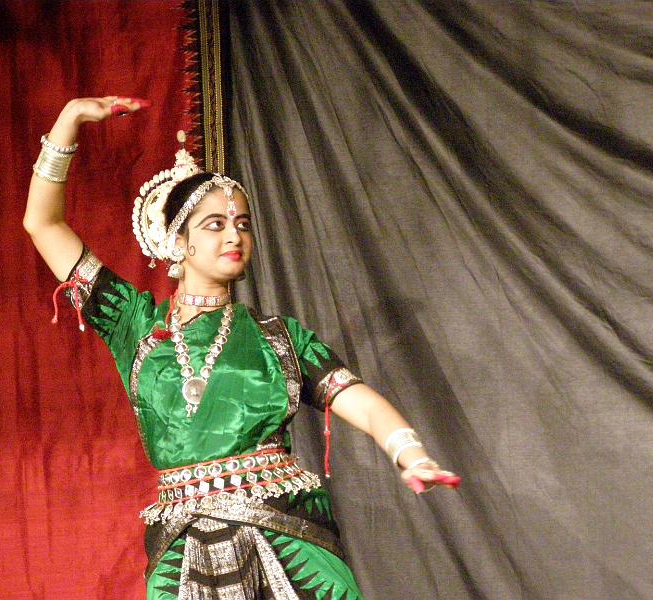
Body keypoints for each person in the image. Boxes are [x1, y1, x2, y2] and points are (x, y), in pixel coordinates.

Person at [24, 96, 460, 599]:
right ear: (178, 240)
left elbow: (357, 400)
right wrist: (70, 119)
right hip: (181, 546)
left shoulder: (279, 337)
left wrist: (408, 452)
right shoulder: (133, 325)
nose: (234, 235)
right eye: (215, 224)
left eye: (243, 224)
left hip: (290, 535)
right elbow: (43, 224)